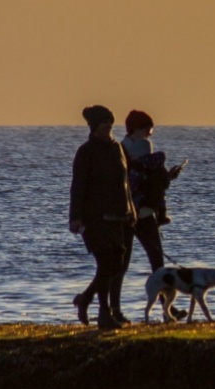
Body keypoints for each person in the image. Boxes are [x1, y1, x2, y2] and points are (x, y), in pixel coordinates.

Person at [69, 105, 137, 330]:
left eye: (110, 121)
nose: (108, 125)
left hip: (118, 215)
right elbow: (78, 186)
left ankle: (86, 298)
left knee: (116, 262)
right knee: (105, 262)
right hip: (94, 217)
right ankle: (104, 314)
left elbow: (125, 183)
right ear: (94, 126)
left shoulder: (117, 148)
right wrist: (75, 217)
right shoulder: (86, 152)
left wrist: (131, 210)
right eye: (104, 122)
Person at [121, 110, 185, 272]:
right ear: (138, 129)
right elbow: (149, 180)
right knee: (156, 261)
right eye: (148, 130)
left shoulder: (121, 149)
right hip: (141, 212)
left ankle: (104, 297)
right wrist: (166, 178)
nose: (150, 135)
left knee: (122, 264)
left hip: (128, 212)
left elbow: (147, 180)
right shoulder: (142, 148)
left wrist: (167, 177)